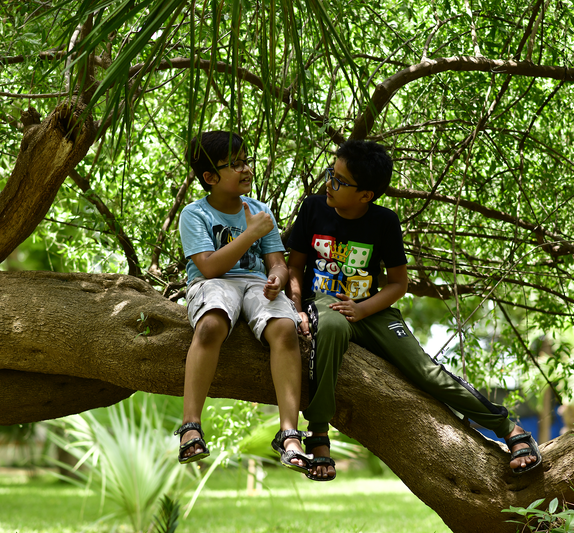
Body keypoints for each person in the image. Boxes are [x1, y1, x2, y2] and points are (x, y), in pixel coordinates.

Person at [286, 139, 542, 481]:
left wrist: (363, 310)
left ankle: (509, 428)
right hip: (325, 303)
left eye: (340, 181)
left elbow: (398, 284)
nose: (329, 184)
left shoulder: (384, 222)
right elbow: (295, 266)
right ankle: (318, 434)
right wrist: (296, 308)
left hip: (372, 309)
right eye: (331, 174)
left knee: (425, 370)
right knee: (330, 328)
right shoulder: (313, 208)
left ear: (366, 194)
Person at [175, 130, 310, 474]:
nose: (247, 169)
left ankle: (289, 434)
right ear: (210, 177)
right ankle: (191, 425)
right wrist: (250, 233)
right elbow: (208, 266)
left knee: (284, 329)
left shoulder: (261, 210)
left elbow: (276, 262)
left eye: (247, 161)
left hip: (255, 285)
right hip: (213, 282)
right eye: (235, 165)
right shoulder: (195, 214)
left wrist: (278, 277)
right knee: (210, 325)